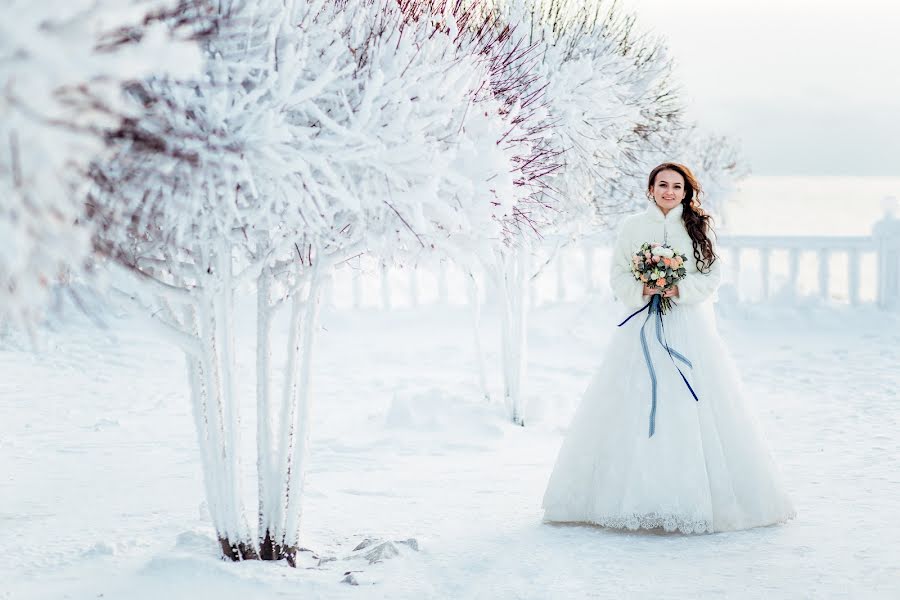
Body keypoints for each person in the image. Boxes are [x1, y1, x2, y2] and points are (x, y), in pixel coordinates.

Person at [541, 162, 796, 533]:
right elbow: (618, 273)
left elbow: (711, 275)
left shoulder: (697, 227)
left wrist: (678, 288)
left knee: (691, 402)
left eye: (677, 186)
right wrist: (645, 287)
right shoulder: (632, 227)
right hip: (641, 326)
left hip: (687, 326)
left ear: (686, 192)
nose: (669, 191)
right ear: (650, 189)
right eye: (663, 184)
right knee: (634, 400)